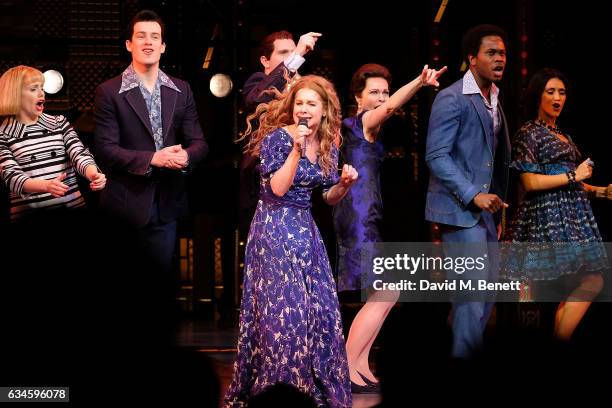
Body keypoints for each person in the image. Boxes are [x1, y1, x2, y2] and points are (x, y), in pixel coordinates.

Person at [224, 75, 358, 407]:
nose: (304, 109)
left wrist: (344, 183)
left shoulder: (328, 143)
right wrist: (297, 150)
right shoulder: (277, 140)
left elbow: (327, 196)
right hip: (273, 228)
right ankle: (280, 391)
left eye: (312, 104)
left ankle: (310, 385)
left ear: (325, 110)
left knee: (317, 310)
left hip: (305, 231)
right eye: (299, 103)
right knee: (285, 314)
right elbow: (277, 189)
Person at [332, 63, 446, 392]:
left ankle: (360, 364)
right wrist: (420, 82)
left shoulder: (364, 128)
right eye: (375, 92)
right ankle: (347, 367)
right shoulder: (361, 123)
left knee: (386, 292)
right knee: (386, 290)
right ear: (358, 97)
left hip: (365, 213)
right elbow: (394, 106)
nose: (382, 98)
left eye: (384, 90)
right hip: (357, 215)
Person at [93, 9, 208, 272]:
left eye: (155, 37)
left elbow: (199, 142)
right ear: (129, 44)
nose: (148, 42)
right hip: (124, 206)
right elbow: (105, 149)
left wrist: (186, 157)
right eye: (141, 36)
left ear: (163, 46)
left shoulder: (181, 89)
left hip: (166, 204)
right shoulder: (109, 91)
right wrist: (153, 158)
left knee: (156, 289)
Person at [502, 68, 611, 340]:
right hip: (545, 217)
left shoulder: (563, 135)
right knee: (535, 292)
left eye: (561, 92)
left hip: (573, 218)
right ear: (538, 96)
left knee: (591, 280)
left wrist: (602, 192)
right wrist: (576, 174)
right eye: (550, 91)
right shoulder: (529, 133)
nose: (557, 97)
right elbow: (530, 183)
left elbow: (572, 184)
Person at [425, 24, 511, 359]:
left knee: (485, 298)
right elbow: (436, 155)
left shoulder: (494, 98)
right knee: (471, 297)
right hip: (460, 212)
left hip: (485, 215)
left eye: (502, 53)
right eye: (491, 52)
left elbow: (494, 159)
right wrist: (472, 193)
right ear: (472, 59)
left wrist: (497, 212)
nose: (499, 58)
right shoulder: (452, 98)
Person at [0, 65, 106, 221]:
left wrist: (93, 174)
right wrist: (45, 186)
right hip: (29, 217)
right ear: (14, 95)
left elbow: (79, 153)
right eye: (33, 89)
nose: (41, 92)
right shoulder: (3, 134)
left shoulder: (59, 123)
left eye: (41, 88)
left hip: (71, 210)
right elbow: (11, 176)